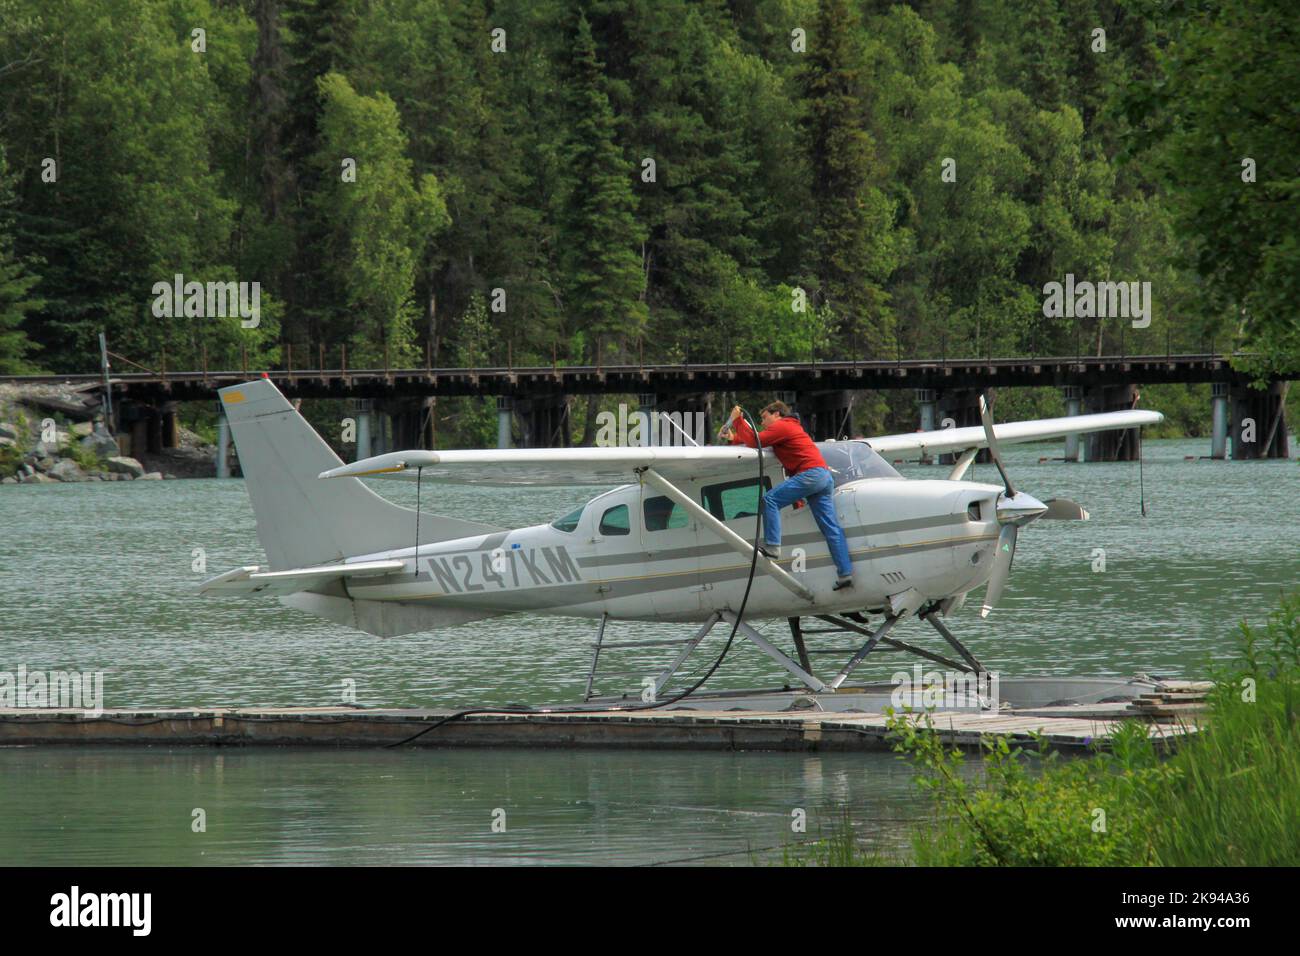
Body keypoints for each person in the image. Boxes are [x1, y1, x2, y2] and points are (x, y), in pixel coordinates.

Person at [721, 401, 853, 590]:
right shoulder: (789, 427)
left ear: (777, 415)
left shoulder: (783, 425)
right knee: (831, 528)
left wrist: (737, 420)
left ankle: (773, 546)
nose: (763, 422)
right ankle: (845, 574)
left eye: (765, 417)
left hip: (810, 475)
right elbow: (756, 441)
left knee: (770, 500)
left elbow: (754, 441)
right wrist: (733, 438)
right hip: (823, 477)